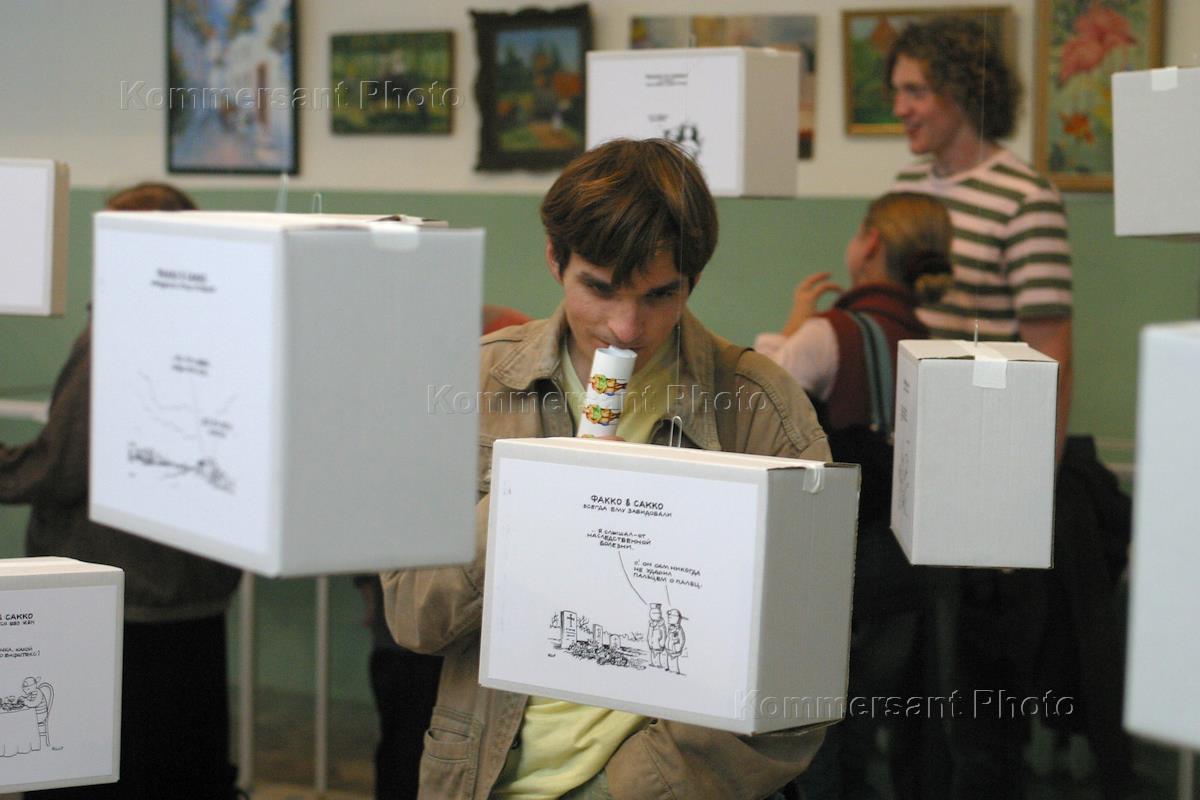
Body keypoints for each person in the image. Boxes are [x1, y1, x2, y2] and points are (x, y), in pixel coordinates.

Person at [381, 138, 832, 800]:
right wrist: (529, 497)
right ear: (554, 260)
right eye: (599, 288)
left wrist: (628, 788)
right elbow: (412, 617)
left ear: (692, 281)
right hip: (479, 776)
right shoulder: (472, 383)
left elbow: (797, 685)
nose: (626, 327)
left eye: (659, 295)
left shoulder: (760, 410)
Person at [884, 19, 1077, 800]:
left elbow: (1051, 349)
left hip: (991, 479)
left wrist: (1028, 495)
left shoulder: (1025, 198)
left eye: (915, 91)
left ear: (963, 91)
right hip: (913, 474)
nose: (900, 107)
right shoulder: (907, 192)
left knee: (980, 707)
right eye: (896, 90)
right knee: (911, 702)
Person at [3, 182, 244, 800]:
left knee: (96, 769)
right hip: (194, 588)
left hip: (117, 595)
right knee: (181, 765)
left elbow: (60, 468)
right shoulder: (227, 322)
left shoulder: (118, 331)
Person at [756, 193, 953, 800]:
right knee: (867, 721)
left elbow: (761, 405)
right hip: (906, 566)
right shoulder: (928, 338)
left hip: (834, 562)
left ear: (869, 243)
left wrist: (791, 328)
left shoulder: (829, 333)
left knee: (815, 726)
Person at [355, 304, 531, 800]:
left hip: (479, 612)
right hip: (416, 591)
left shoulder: (500, 340)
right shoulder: (400, 356)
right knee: (406, 732)